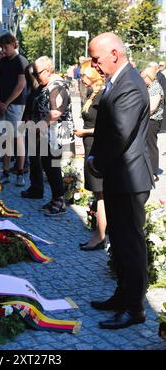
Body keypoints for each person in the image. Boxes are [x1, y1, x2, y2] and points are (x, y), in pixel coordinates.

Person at [87, 32, 153, 330]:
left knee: (130, 245)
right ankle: (122, 295)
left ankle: (135, 307)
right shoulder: (120, 79)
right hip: (120, 177)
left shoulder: (130, 85)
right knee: (121, 242)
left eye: (96, 58)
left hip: (128, 178)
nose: (94, 65)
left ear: (114, 54)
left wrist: (96, 161)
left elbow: (118, 133)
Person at [22, 56, 75, 216]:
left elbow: (55, 113)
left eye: (37, 73)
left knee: (53, 166)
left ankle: (60, 201)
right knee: (48, 165)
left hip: (56, 133)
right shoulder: (46, 85)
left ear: (49, 70)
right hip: (46, 134)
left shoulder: (57, 86)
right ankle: (55, 198)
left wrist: (38, 127)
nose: (35, 77)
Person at [74, 62, 107, 251]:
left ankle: (100, 235)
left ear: (94, 76)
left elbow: (104, 126)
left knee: (100, 193)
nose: (82, 78)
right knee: (97, 193)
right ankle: (100, 232)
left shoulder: (102, 95)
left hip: (95, 145)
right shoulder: (92, 94)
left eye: (85, 76)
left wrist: (85, 132)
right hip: (89, 145)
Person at [0, 33, 29, 186]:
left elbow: (21, 85)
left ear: (13, 44)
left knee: (17, 138)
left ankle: (20, 173)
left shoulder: (21, 61)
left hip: (16, 105)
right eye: (1, 47)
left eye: (5, 47)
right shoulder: (1, 62)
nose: (3, 50)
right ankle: (5, 172)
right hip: (0, 104)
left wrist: (6, 103)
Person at [141, 67, 164, 182]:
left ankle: (154, 173)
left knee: (151, 146)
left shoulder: (156, 87)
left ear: (148, 77)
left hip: (153, 121)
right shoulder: (150, 87)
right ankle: (148, 170)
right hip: (148, 120)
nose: (142, 79)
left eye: (143, 77)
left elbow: (152, 108)